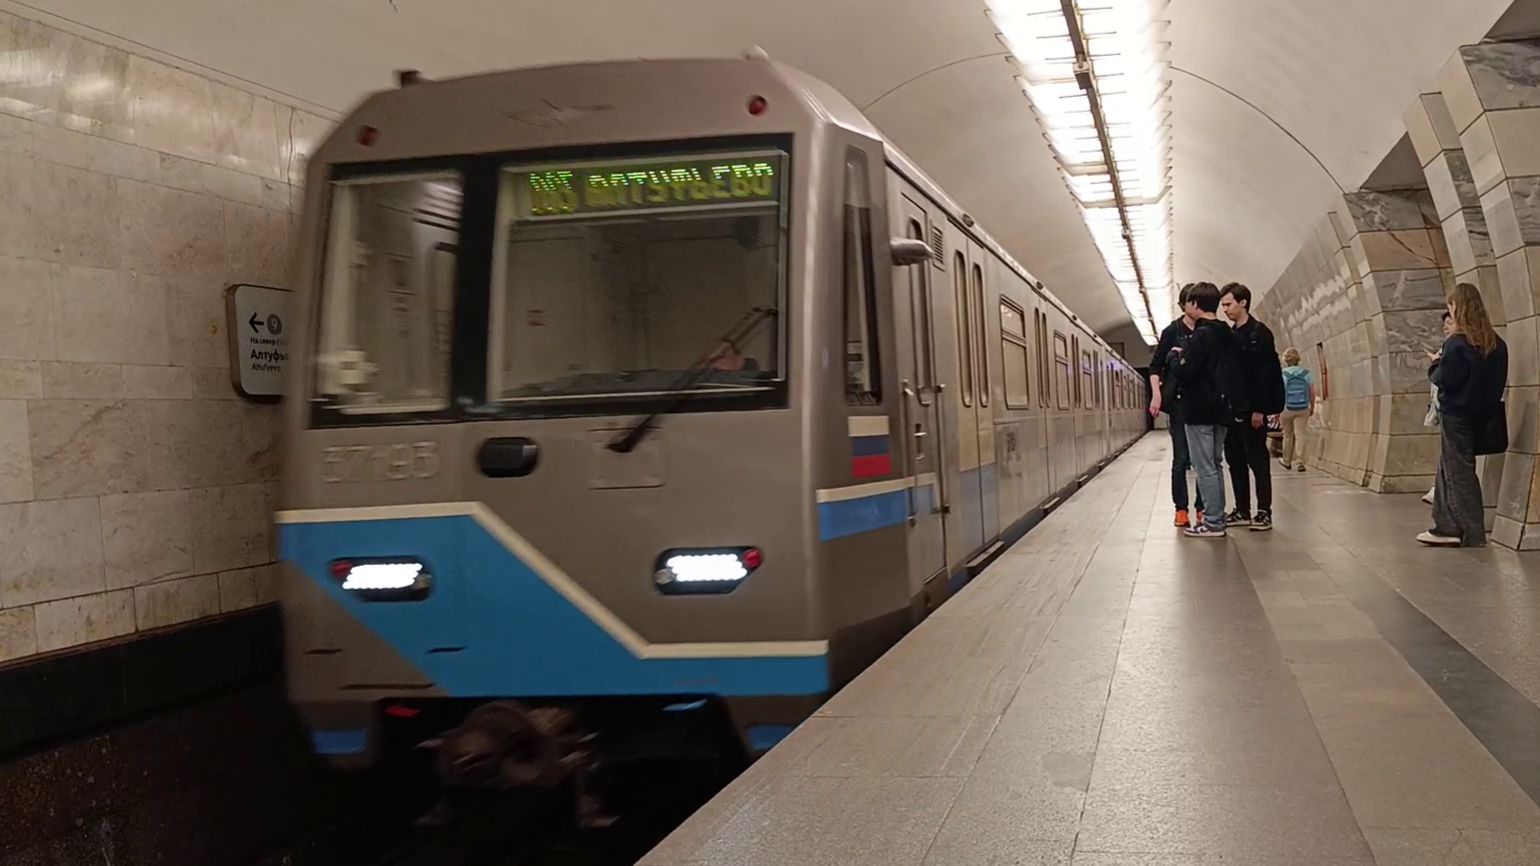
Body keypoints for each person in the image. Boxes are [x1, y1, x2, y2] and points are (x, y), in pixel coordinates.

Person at [1421, 284, 1508, 547]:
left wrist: (1435, 364)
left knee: (1459, 473)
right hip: (1484, 416)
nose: (1449, 311)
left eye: (1451, 306)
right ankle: (1445, 526)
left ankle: (1472, 533)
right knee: (1448, 467)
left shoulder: (1457, 343)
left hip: (1456, 416)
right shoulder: (1496, 343)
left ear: (1458, 307)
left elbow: (1447, 380)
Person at [1171, 282, 1250, 538]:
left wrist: (1174, 357)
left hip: (1199, 410)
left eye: (1188, 303)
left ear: (1195, 305)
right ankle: (1218, 516)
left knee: (1204, 467)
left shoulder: (1202, 335)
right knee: (1215, 464)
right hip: (1221, 411)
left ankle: (1213, 521)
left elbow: (1185, 370)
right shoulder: (1228, 333)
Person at [1219, 283, 1284, 531]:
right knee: (1235, 460)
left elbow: (1265, 374)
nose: (1225, 309)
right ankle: (1242, 510)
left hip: (1253, 411)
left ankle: (1264, 511)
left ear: (1243, 302)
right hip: (1233, 409)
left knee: (1258, 460)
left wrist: (1260, 408)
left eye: (1228, 304)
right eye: (1223, 305)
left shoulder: (1260, 333)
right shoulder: (1230, 335)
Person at [1148, 284, 1205, 528]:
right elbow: (1155, 366)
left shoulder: (1206, 330)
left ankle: (1202, 507)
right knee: (1181, 458)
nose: (1199, 307)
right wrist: (1156, 395)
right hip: (1179, 402)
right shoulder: (1172, 331)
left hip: (1203, 401)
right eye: (1194, 303)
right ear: (1184, 305)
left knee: (1203, 459)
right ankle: (1181, 508)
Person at [1422, 311, 1455, 505]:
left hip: (1454, 412)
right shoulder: (1448, 347)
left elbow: (1443, 378)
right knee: (1447, 455)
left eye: (1450, 322)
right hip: (1446, 410)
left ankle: (1442, 493)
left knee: (1452, 457)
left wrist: (1435, 363)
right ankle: (1440, 491)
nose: (1446, 326)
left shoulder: (1455, 348)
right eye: (1445, 323)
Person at [1279, 348, 1314, 472]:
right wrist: (1312, 406)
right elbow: (1312, 392)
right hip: (1303, 408)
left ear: (1286, 360)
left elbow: (1279, 392)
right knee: (1300, 434)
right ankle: (1300, 462)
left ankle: (1287, 461)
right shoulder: (1306, 374)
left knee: (1287, 435)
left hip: (1286, 408)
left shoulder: (1283, 374)